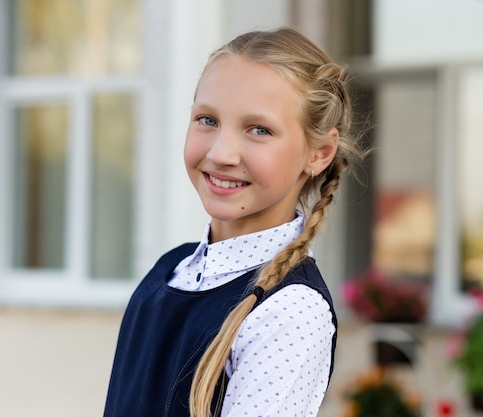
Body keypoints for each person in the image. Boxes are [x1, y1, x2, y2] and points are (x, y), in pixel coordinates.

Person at [103, 27, 364, 417]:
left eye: (259, 130)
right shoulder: (170, 271)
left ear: (319, 153)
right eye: (207, 120)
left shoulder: (289, 311)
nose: (222, 152)